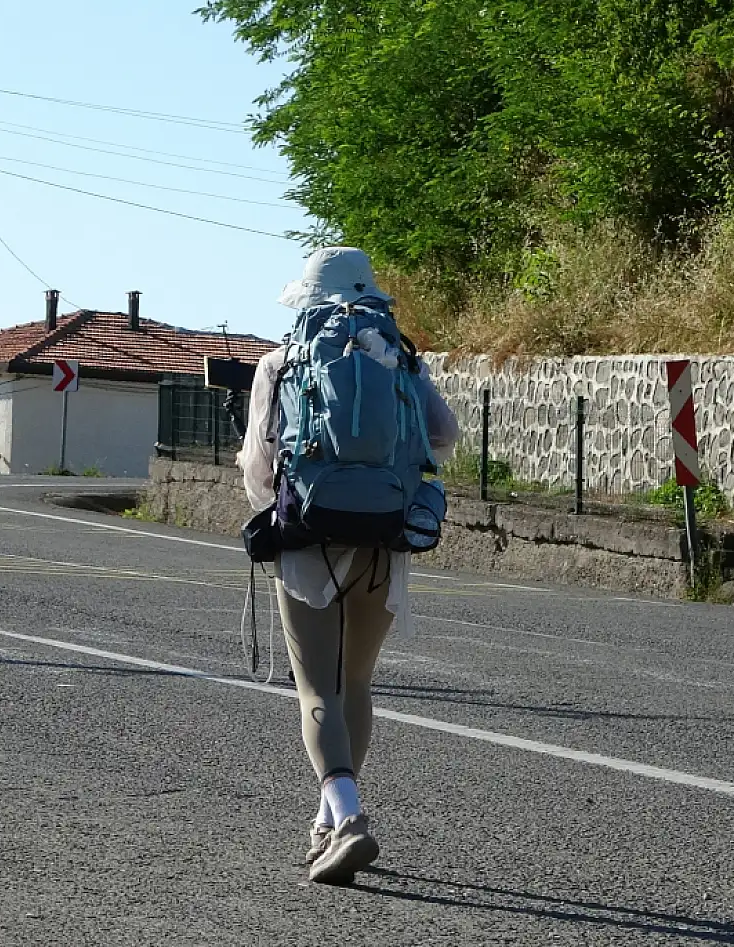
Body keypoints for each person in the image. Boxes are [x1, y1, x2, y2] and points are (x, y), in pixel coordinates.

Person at [237, 246, 459, 884]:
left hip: (309, 540)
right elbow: (443, 435)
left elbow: (258, 464)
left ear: (307, 299)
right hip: (385, 538)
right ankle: (327, 825)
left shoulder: (282, 361)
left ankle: (349, 818)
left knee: (317, 690)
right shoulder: (400, 358)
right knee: (356, 684)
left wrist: (278, 511)